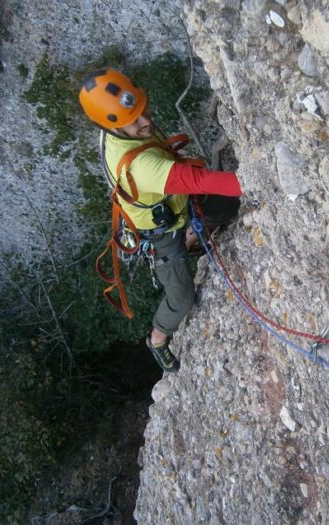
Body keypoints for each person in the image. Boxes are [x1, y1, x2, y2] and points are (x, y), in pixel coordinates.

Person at [78, 68, 242, 372]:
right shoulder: (141, 167)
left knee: (225, 207)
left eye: (143, 111)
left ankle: (193, 237)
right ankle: (157, 339)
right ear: (113, 126)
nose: (147, 122)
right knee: (182, 299)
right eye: (135, 121)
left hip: (173, 205)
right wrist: (257, 182)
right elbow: (199, 180)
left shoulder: (113, 122)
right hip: (161, 231)